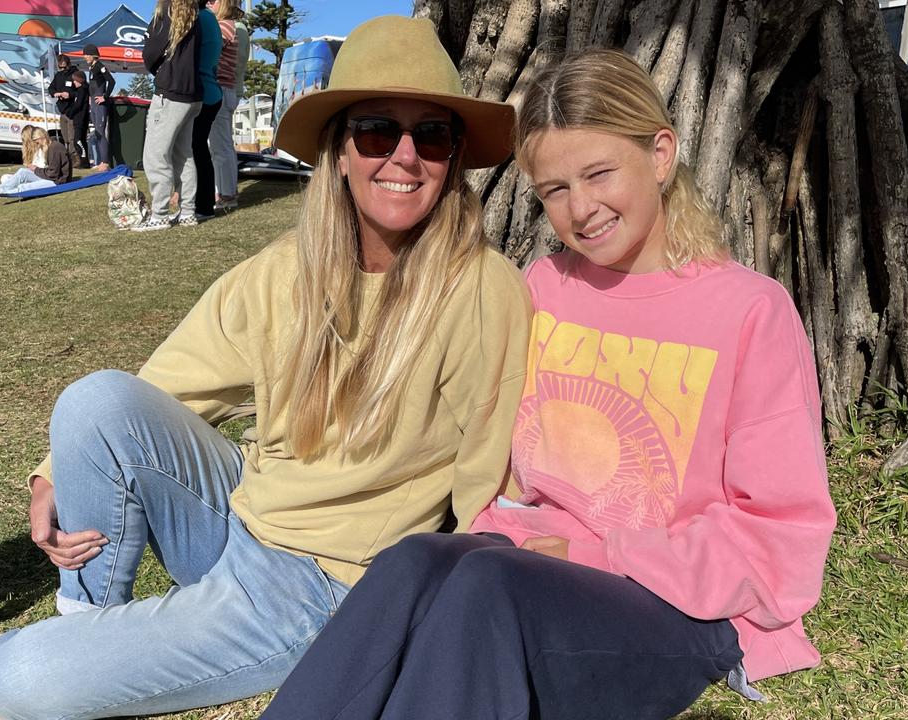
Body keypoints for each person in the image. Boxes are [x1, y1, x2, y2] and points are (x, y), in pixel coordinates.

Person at [0, 16, 529, 720]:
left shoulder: (482, 290)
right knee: (94, 401)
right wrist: (50, 474)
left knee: (28, 680)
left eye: (431, 136)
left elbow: (486, 486)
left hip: (328, 588)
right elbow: (163, 384)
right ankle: (87, 624)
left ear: (454, 157)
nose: (403, 157)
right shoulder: (288, 269)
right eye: (376, 131)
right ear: (340, 151)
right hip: (239, 516)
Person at [259, 48, 838, 720]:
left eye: (599, 174)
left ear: (659, 154)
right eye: (554, 191)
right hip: (527, 563)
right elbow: (497, 458)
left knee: (486, 586)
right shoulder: (544, 288)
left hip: (670, 599)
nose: (581, 208)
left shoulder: (748, 311)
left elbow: (780, 537)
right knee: (413, 561)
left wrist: (594, 552)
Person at [131, 0, 204, 231]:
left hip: (170, 93)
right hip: (192, 94)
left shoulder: (166, 14)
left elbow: (150, 53)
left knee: (155, 155)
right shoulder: (195, 17)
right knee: (184, 156)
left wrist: (158, 69)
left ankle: (160, 214)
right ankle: (188, 212)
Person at [208, 0, 246, 212]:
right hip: (227, 90)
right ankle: (225, 192)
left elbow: (209, 52)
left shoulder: (224, 26)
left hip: (221, 90)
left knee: (220, 147)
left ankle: (227, 195)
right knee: (223, 146)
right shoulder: (231, 25)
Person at [189, 0, 224, 221]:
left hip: (201, 94)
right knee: (199, 149)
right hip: (212, 92)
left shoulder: (198, 19)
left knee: (194, 150)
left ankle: (200, 205)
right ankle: (203, 204)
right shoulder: (210, 18)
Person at [0, 125, 71, 200]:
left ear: (41, 137)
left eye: (36, 141)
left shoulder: (55, 148)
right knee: (22, 172)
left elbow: (53, 174)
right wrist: (35, 170)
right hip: (50, 177)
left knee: (25, 187)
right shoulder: (50, 147)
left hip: (57, 182)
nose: (37, 144)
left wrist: (36, 169)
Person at [84, 43, 114, 172]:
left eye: (86, 55)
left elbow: (111, 81)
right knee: (97, 132)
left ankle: (105, 162)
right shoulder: (92, 67)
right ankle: (100, 161)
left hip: (100, 105)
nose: (85, 57)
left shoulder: (100, 66)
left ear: (92, 55)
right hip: (94, 105)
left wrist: (105, 97)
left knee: (101, 133)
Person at [48, 54, 82, 166]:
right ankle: (67, 159)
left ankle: (75, 158)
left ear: (68, 64)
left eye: (64, 66)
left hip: (72, 110)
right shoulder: (58, 76)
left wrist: (70, 94)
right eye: (60, 66)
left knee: (72, 138)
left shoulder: (75, 74)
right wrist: (55, 93)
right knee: (65, 137)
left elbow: (81, 91)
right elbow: (51, 88)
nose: (62, 69)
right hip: (62, 110)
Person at [63, 70, 90, 167]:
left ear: (80, 80)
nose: (74, 82)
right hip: (79, 118)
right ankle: (84, 162)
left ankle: (83, 161)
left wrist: (70, 113)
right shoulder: (80, 91)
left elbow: (78, 104)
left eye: (75, 81)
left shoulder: (82, 90)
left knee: (78, 140)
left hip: (80, 118)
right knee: (80, 140)